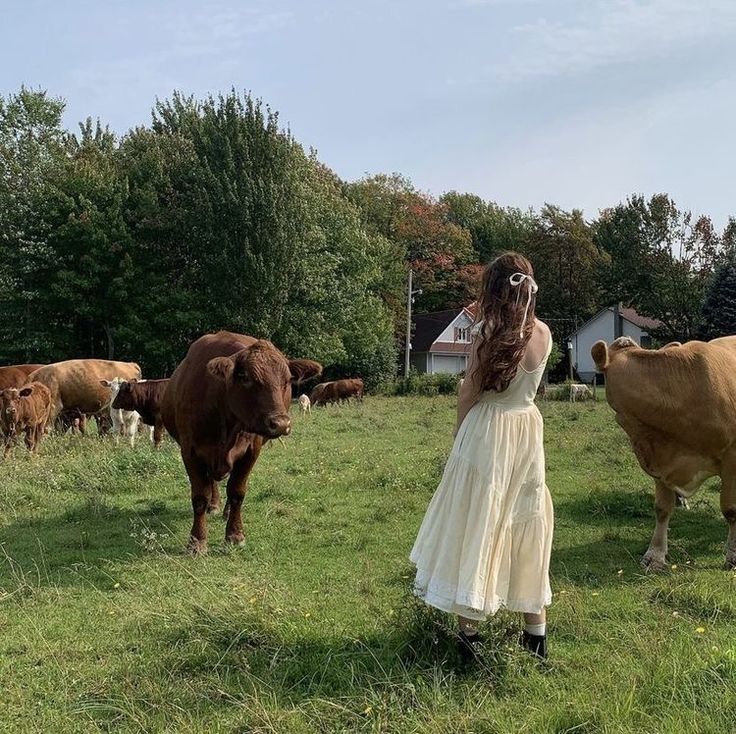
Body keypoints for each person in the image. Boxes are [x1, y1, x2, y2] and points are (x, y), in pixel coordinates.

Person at [409, 252, 554, 661]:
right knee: (526, 521)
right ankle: (536, 640)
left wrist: (458, 434)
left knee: (477, 520)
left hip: (488, 429)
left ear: (495, 288)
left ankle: (469, 642)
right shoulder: (544, 333)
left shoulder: (488, 330)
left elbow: (470, 390)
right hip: (527, 431)